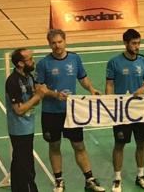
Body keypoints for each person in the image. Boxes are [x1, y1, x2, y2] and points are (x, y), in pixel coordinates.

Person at [36, 29, 105, 192]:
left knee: (79, 145)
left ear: (65, 41)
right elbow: (39, 87)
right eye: (53, 43)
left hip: (72, 111)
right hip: (51, 112)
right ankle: (59, 180)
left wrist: (91, 89)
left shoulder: (75, 58)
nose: (57, 45)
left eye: (60, 42)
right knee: (54, 146)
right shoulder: (43, 64)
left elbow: (82, 78)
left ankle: (90, 180)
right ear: (49, 44)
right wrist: (54, 94)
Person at [106, 29, 144, 191]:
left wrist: (143, 88)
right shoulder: (114, 62)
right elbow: (110, 84)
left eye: (139, 43)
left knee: (141, 143)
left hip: (141, 109)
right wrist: (109, 103)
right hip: (121, 111)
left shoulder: (142, 60)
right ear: (125, 43)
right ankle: (117, 178)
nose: (137, 46)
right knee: (119, 144)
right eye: (134, 43)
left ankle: (140, 175)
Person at [6, 48, 48, 192]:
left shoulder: (28, 76)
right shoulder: (12, 81)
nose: (33, 61)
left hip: (28, 127)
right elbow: (18, 110)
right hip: (19, 130)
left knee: (18, 163)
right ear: (20, 63)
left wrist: (50, 94)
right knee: (26, 167)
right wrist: (37, 96)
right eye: (29, 59)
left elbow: (33, 100)